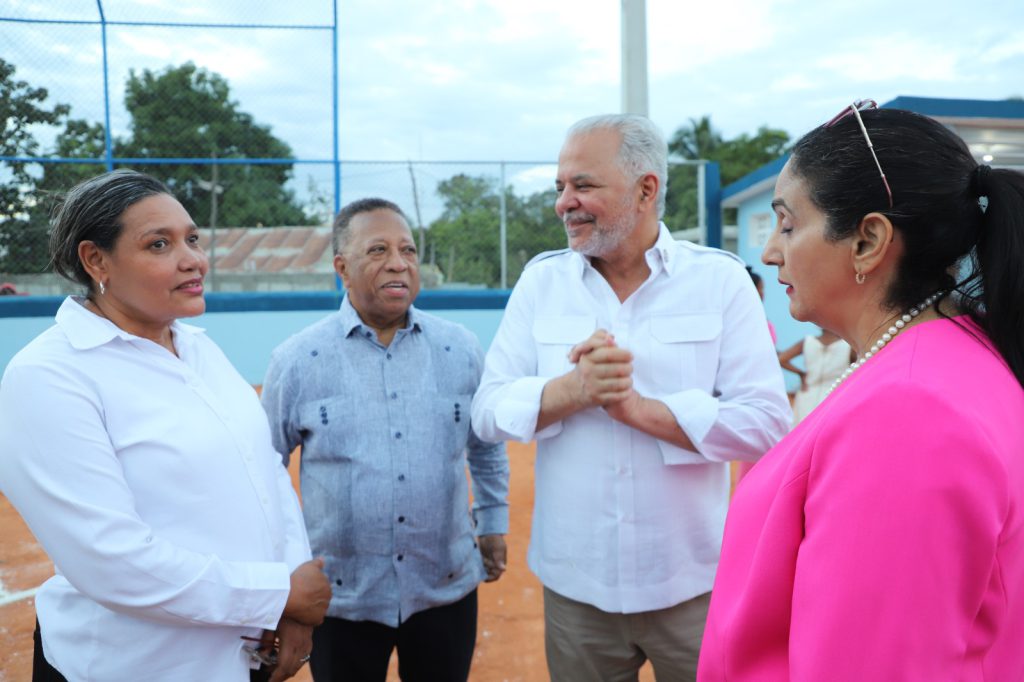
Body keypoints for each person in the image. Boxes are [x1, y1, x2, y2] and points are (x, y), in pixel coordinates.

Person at [698, 102, 1024, 680]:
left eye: (788, 224)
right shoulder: (947, 356)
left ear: (869, 240)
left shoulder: (907, 415)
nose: (770, 251)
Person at [471, 114, 791, 681]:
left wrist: (639, 410)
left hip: (693, 585)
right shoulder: (541, 283)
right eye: (560, 187)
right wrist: (571, 391)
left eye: (583, 185)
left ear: (646, 189)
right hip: (576, 591)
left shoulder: (719, 282)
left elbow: (766, 423)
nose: (563, 203)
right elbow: (488, 410)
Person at [0, 170, 331, 682]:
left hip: (240, 656)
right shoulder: (48, 375)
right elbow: (111, 561)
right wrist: (277, 594)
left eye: (192, 239)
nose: (193, 259)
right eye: (159, 244)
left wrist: (287, 602)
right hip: (130, 667)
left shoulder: (200, 348)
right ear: (95, 260)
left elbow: (263, 468)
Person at [261, 197, 510, 682]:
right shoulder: (298, 360)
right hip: (342, 596)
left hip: (444, 585)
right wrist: (283, 567)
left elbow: (485, 444)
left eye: (408, 250)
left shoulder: (459, 349)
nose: (399, 262)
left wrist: (494, 521)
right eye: (378, 250)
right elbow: (264, 468)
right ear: (342, 267)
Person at [777, 328, 854, 423]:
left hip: (807, 396)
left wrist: (801, 374)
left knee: (803, 431)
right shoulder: (848, 346)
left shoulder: (807, 342)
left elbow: (781, 359)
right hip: (835, 396)